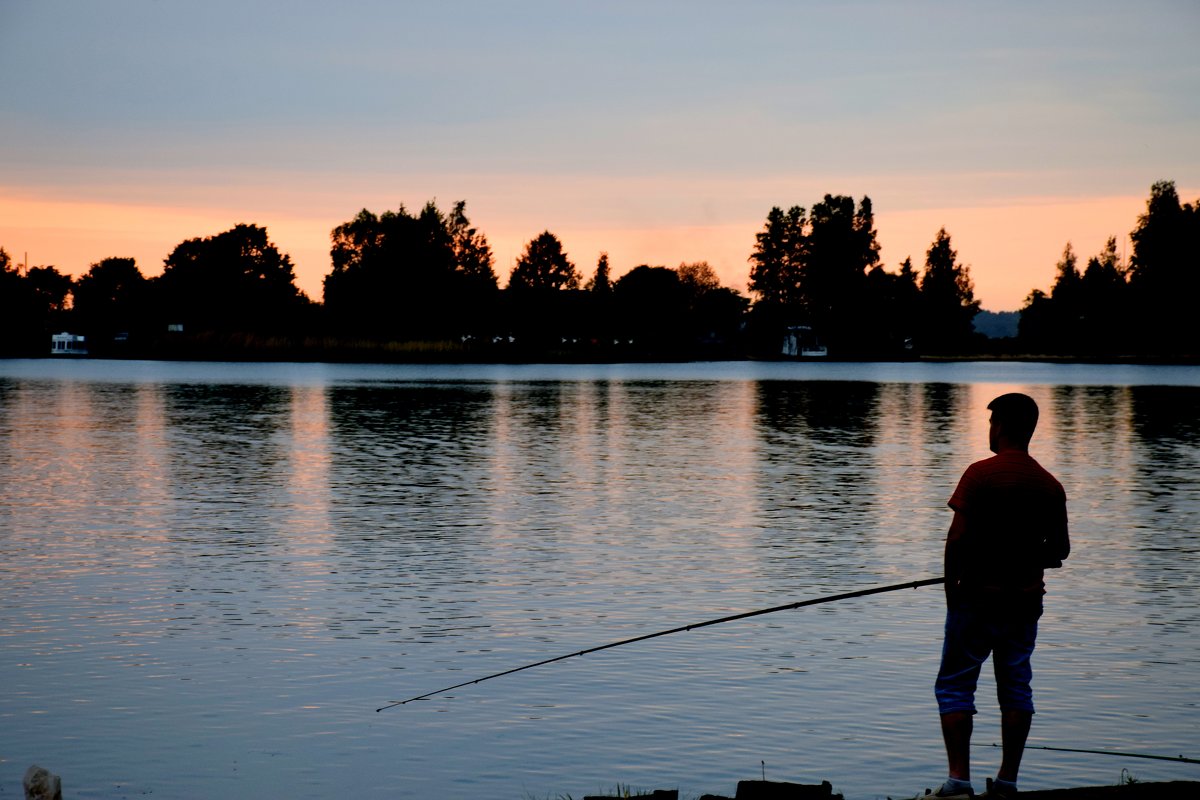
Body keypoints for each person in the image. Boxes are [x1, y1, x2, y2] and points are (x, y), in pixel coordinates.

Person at [921, 393, 1070, 799]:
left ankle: (959, 781)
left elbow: (957, 539)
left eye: (992, 423)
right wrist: (1023, 551)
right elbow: (1059, 551)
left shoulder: (979, 475)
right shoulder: (1049, 485)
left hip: (976, 600)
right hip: (1023, 604)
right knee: (1016, 686)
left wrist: (953, 592)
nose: (990, 430)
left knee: (955, 686)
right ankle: (1007, 782)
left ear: (1001, 425)